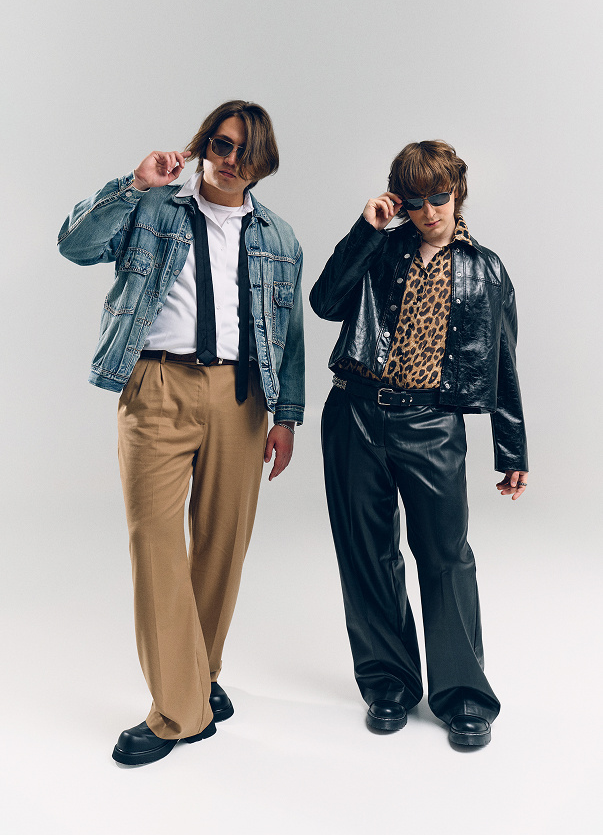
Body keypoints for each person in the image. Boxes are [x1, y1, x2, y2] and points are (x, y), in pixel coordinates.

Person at [59, 100, 304, 766]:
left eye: (246, 152)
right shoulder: (153, 206)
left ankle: (201, 675)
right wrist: (132, 183)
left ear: (263, 163)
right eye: (221, 145)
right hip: (157, 386)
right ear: (203, 145)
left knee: (223, 546)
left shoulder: (280, 238)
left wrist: (286, 417)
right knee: (156, 545)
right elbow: (74, 245)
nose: (231, 161)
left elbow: (288, 335)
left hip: (241, 397)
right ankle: (178, 711)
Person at [309, 140, 527, 748]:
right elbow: (324, 302)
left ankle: (464, 697)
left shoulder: (486, 270)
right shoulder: (381, 248)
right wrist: (366, 229)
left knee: (445, 557)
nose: (429, 212)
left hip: (432, 424)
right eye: (415, 201)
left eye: (440, 197)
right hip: (354, 413)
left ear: (457, 193)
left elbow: (504, 363)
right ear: (399, 202)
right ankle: (388, 684)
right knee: (367, 554)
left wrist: (511, 450)